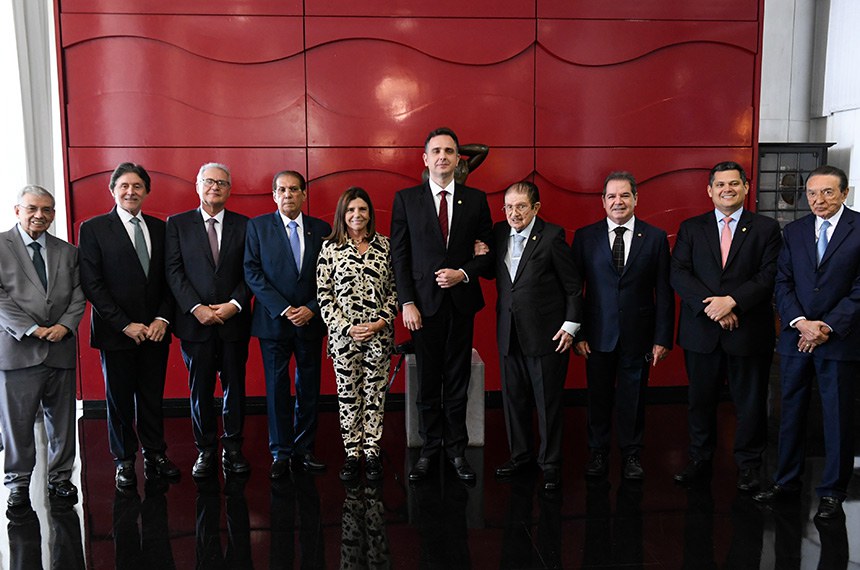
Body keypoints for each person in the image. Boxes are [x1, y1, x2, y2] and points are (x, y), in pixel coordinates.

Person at [754, 165, 860, 520]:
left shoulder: (859, 228)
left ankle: (832, 491)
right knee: (790, 415)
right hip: (796, 339)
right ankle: (786, 482)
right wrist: (801, 323)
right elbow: (782, 282)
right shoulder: (795, 231)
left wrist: (826, 326)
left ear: (845, 193)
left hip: (840, 341)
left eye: (828, 192)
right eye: (812, 193)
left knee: (838, 418)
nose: (819, 200)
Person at [670, 161, 782, 491]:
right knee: (700, 399)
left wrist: (732, 301)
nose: (727, 189)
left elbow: (768, 275)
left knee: (750, 401)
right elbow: (679, 273)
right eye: (720, 184)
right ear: (709, 190)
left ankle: (748, 464)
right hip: (701, 331)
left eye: (734, 183)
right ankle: (700, 458)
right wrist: (714, 307)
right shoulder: (691, 227)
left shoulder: (766, 228)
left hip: (748, 330)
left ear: (746, 187)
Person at [390, 126, 493, 482]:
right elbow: (399, 256)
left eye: (449, 151)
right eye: (436, 151)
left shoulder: (476, 199)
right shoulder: (406, 199)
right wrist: (406, 303)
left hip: (462, 304)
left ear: (457, 158)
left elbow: (488, 255)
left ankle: (457, 452)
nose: (443, 157)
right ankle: (429, 450)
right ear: (425, 158)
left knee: (458, 380)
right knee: (428, 382)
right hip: (422, 307)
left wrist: (463, 271)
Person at [78, 162, 180, 489]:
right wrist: (125, 325)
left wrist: (163, 318)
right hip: (116, 332)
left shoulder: (161, 228)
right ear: (112, 190)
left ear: (147, 191)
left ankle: (155, 453)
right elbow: (93, 285)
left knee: (151, 397)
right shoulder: (92, 229)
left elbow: (170, 279)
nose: (131, 191)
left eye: (137, 186)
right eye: (124, 186)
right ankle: (123, 460)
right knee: (119, 399)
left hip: (155, 331)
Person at [572, 171, 674, 480]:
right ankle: (598, 452)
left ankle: (632, 454)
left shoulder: (654, 237)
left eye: (624, 195)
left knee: (634, 396)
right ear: (603, 202)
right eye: (612, 196)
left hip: (639, 335)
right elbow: (576, 288)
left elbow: (665, 292)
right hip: (597, 334)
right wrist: (579, 332)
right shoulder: (585, 237)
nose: (618, 201)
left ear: (635, 199)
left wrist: (662, 338)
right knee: (598, 396)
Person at [488, 181, 581, 491]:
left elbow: (572, 285)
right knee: (513, 399)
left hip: (547, 334)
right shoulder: (499, 233)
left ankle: (550, 462)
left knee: (547, 402)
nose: (514, 213)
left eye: (521, 206)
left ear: (536, 208)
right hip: (509, 333)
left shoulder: (552, 236)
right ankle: (521, 456)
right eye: (509, 206)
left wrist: (571, 325)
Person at [0, 185, 86, 508]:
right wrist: (32, 328)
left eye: (47, 209)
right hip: (18, 349)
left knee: (62, 421)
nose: (40, 215)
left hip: (60, 347)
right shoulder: (0, 245)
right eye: (33, 208)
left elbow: (79, 293)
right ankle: (18, 482)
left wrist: (64, 325)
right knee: (18, 422)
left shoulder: (67, 251)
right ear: (17, 210)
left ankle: (61, 478)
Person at [165, 162, 251, 478]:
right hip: (194, 323)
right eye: (209, 181)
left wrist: (235, 304)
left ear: (229, 189)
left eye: (222, 183)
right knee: (199, 389)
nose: (215, 187)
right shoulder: (178, 224)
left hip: (234, 322)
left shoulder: (245, 225)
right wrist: (195, 308)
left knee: (235, 388)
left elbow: (251, 271)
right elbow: (173, 272)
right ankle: (205, 450)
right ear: (197, 185)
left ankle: (233, 448)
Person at [244, 170, 331, 478]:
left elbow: (330, 277)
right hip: (273, 323)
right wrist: (284, 308)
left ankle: (304, 448)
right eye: (282, 189)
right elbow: (252, 273)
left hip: (310, 321)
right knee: (277, 388)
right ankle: (280, 451)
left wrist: (310, 308)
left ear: (304, 195)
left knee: (308, 387)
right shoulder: (257, 227)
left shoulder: (321, 229)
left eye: (294, 189)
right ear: (274, 195)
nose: (288, 194)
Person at [316, 187, 398, 482]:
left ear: (370, 214)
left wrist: (378, 323)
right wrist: (346, 327)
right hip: (344, 337)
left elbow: (395, 292)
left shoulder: (386, 247)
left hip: (378, 336)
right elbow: (324, 296)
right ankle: (352, 453)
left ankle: (372, 452)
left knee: (374, 395)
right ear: (342, 214)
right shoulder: (329, 248)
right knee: (349, 396)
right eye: (350, 210)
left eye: (362, 209)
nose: (356, 215)